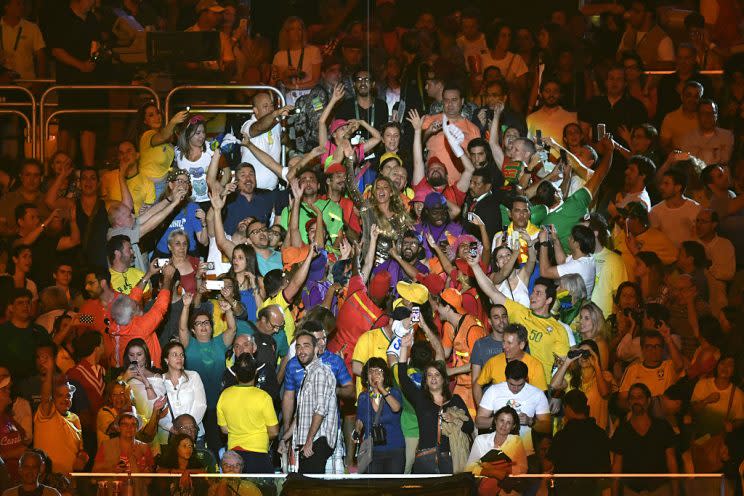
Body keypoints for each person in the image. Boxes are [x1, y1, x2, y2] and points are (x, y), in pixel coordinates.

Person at [397, 333, 474, 474]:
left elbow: (470, 427)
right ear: (425, 380)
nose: (433, 378)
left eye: (437, 375)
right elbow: (402, 377)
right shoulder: (420, 400)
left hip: (452, 459)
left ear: (444, 379)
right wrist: (403, 348)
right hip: (426, 460)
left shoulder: (455, 400)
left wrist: (455, 419)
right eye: (429, 375)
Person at [179, 292, 236, 460]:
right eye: (198, 323)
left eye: (206, 323)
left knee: (217, 446)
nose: (203, 326)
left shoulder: (219, 342)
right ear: (193, 329)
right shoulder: (189, 344)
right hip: (195, 405)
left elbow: (232, 329)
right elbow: (182, 328)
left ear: (211, 326)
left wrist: (229, 311)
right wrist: (186, 306)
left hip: (218, 404)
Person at [279, 332, 337, 474]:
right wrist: (285, 438)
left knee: (312, 489)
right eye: (298, 346)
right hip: (309, 443)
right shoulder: (309, 374)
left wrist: (310, 440)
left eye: (306, 346)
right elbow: (300, 416)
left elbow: (320, 410)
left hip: (317, 441)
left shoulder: (320, 372)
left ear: (316, 349)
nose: (301, 350)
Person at [611, 383, 679, 496]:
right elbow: (616, 467)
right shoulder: (622, 431)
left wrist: (675, 492)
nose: (636, 401)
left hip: (660, 490)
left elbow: (672, 462)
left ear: (648, 401)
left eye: (640, 397)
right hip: (631, 491)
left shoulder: (662, 427)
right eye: (632, 398)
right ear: (629, 403)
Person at [216, 353, 278, 473]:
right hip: (259, 456)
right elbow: (274, 432)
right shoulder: (263, 397)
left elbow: (224, 430)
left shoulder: (224, 395)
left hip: (234, 457)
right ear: (255, 372)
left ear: (236, 373)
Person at [476, 360, 550, 455]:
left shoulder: (537, 394)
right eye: (511, 384)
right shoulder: (494, 391)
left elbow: (547, 427)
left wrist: (530, 421)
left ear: (526, 379)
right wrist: (501, 421)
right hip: (497, 452)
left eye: (520, 385)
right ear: (506, 378)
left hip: (525, 452)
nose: (515, 389)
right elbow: (479, 422)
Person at [547, 390, 611, 495]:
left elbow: (548, 464)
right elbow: (605, 467)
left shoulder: (563, 436)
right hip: (592, 491)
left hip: (566, 491)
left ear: (568, 408)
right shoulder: (600, 434)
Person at [33, 355, 87, 475]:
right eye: (60, 395)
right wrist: (49, 372)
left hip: (69, 480)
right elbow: (46, 397)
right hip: (47, 479)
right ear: (53, 397)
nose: (65, 399)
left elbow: (81, 450)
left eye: (68, 395)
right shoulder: (46, 413)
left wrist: (82, 458)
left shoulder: (75, 418)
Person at [550, 340, 615, 431]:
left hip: (596, 433)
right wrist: (568, 361)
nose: (584, 356)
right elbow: (554, 385)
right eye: (580, 353)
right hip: (573, 433)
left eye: (587, 353)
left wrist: (596, 364)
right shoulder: (570, 378)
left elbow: (604, 393)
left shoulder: (605, 376)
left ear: (595, 355)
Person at [354, 357, 404, 474]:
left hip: (395, 449)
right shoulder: (363, 397)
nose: (374, 374)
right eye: (371, 371)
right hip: (372, 451)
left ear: (385, 375)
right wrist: (357, 430)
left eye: (378, 371)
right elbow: (360, 419)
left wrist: (381, 389)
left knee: (393, 488)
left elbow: (396, 408)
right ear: (367, 376)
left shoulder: (394, 393)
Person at [465, 406, 527, 496]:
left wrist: (498, 470)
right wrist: (492, 472)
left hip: (508, 487)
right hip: (483, 487)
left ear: (513, 426)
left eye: (508, 422)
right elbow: (469, 468)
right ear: (495, 421)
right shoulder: (481, 440)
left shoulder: (516, 441)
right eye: (501, 420)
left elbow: (522, 468)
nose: (504, 425)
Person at [157, 341, 207, 445]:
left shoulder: (193, 376)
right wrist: (171, 428)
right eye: (175, 354)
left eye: (182, 355)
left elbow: (201, 405)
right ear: (166, 359)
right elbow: (157, 412)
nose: (179, 358)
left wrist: (188, 428)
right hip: (169, 436)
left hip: (194, 435)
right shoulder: (159, 381)